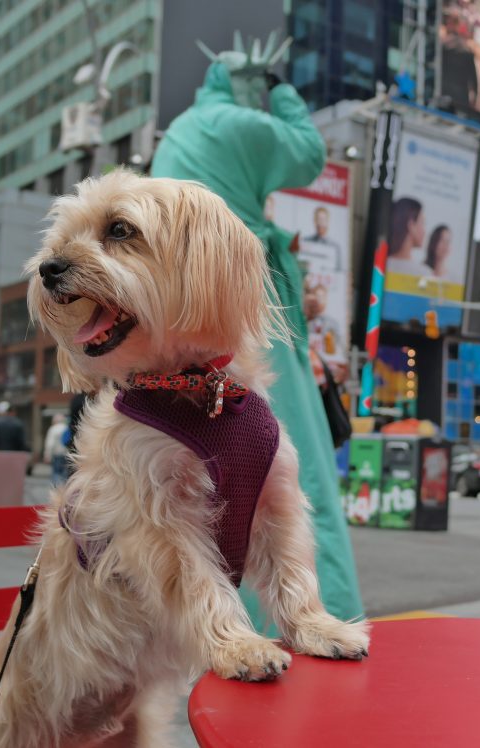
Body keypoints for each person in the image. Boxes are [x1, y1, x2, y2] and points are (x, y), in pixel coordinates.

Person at [151, 49, 364, 627]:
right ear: (246, 86)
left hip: (180, 315)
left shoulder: (179, 137)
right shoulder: (239, 122)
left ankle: (210, 621)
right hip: (243, 298)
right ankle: (305, 613)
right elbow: (309, 151)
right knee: (284, 463)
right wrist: (284, 89)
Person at [440, 10, 478, 112]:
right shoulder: (467, 49)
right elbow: (474, 81)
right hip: (461, 99)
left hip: (442, 93)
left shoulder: (441, 47)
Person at [387, 197, 429, 276]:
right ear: (411, 225)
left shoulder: (381, 265)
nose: (424, 231)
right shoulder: (423, 273)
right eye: (422, 223)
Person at [43, 412, 69, 485]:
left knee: (56, 472)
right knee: (65, 473)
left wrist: (47, 455)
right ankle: (64, 489)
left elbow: (50, 444)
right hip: (66, 454)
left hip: (57, 454)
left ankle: (57, 489)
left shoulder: (53, 429)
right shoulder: (66, 428)